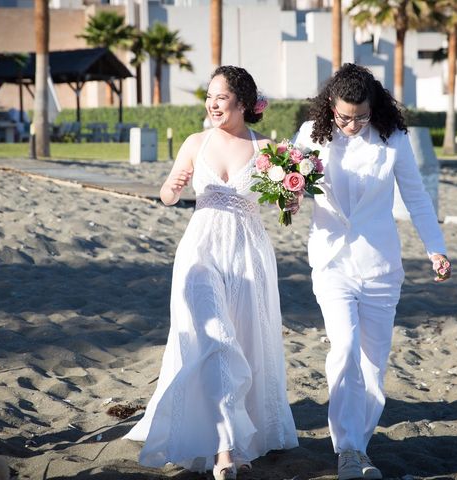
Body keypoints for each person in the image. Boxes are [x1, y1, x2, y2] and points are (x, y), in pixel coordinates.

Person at [124, 65, 298, 480]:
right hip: (200, 250)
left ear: (242, 101)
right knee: (216, 339)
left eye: (220, 97)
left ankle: (240, 438)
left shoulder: (267, 148)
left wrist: (290, 202)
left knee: (243, 341)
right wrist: (175, 186)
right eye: (209, 96)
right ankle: (225, 449)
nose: (212, 104)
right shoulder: (194, 142)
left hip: (247, 253)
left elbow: (283, 205)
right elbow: (168, 196)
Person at [291, 63, 452, 480]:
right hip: (332, 263)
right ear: (331, 105)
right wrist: (287, 200)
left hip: (381, 266)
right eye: (344, 116)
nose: (352, 124)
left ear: (372, 107)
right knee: (343, 349)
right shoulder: (311, 135)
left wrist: (436, 250)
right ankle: (346, 450)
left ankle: (359, 447)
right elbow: (291, 191)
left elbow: (416, 198)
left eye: (360, 116)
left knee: (373, 365)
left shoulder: (393, 139)